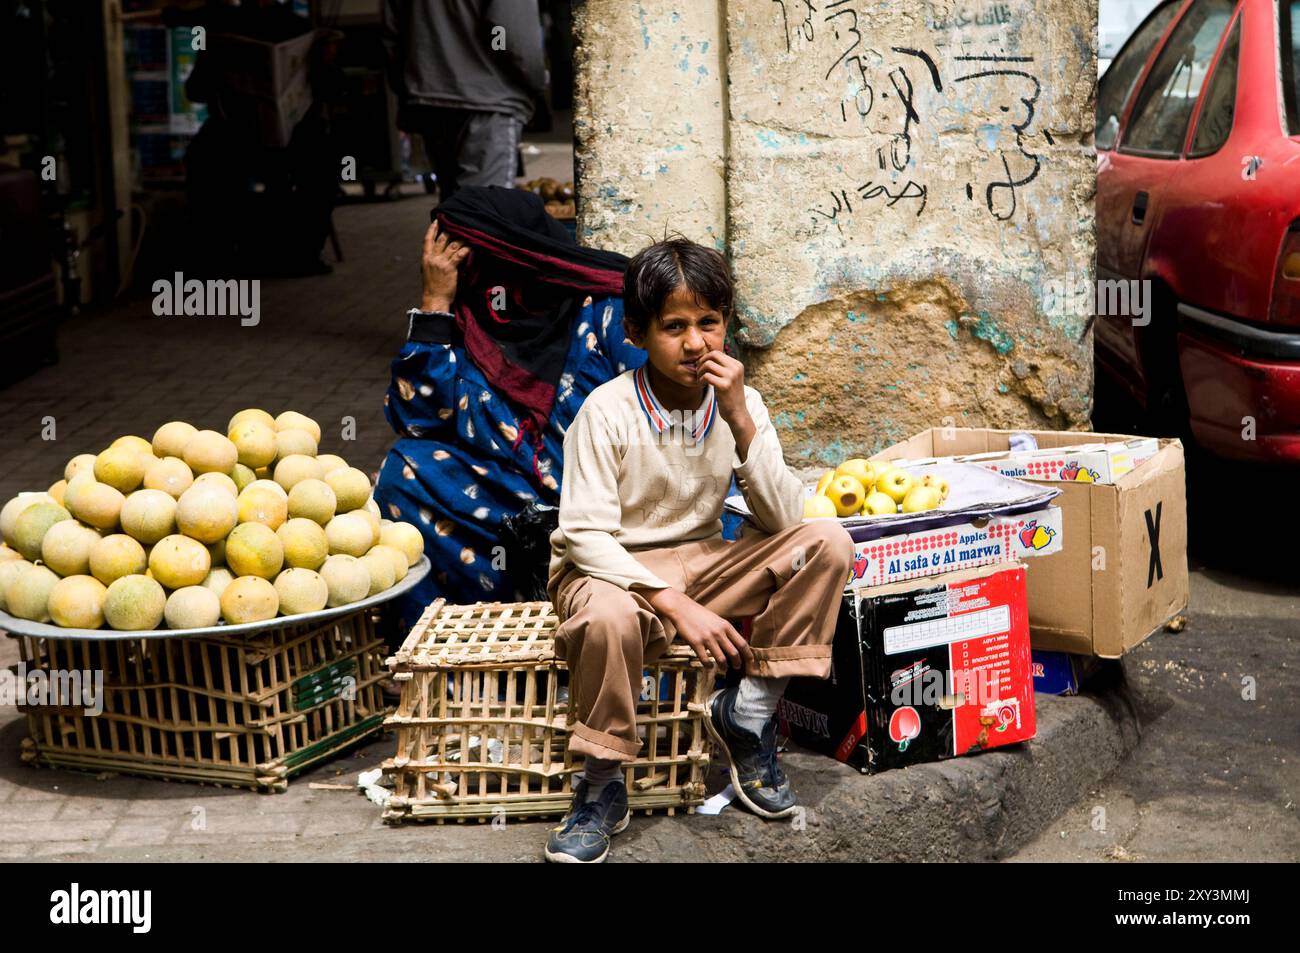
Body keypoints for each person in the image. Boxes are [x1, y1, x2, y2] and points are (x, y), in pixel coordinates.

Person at [541, 238, 855, 863]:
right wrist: (673, 605)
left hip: (704, 562)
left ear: (727, 325)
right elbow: (583, 535)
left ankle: (748, 713)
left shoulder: (742, 404)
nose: (695, 344)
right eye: (673, 326)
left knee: (825, 541)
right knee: (606, 617)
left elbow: (783, 516)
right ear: (636, 332)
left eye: (709, 323)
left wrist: (741, 419)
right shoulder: (606, 413)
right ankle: (601, 784)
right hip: (608, 574)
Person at [381, 0, 546, 202]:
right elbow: (509, 33)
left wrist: (411, 86)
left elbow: (392, 36)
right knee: (484, 211)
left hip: (430, 98)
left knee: (455, 206)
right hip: (489, 100)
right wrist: (537, 81)